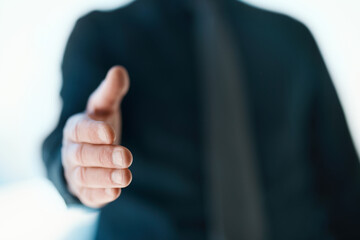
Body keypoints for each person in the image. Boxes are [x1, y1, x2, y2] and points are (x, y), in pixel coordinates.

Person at [42, 0, 360, 239]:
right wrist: (81, 163)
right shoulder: (100, 35)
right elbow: (65, 143)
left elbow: (345, 184)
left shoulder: (293, 37)